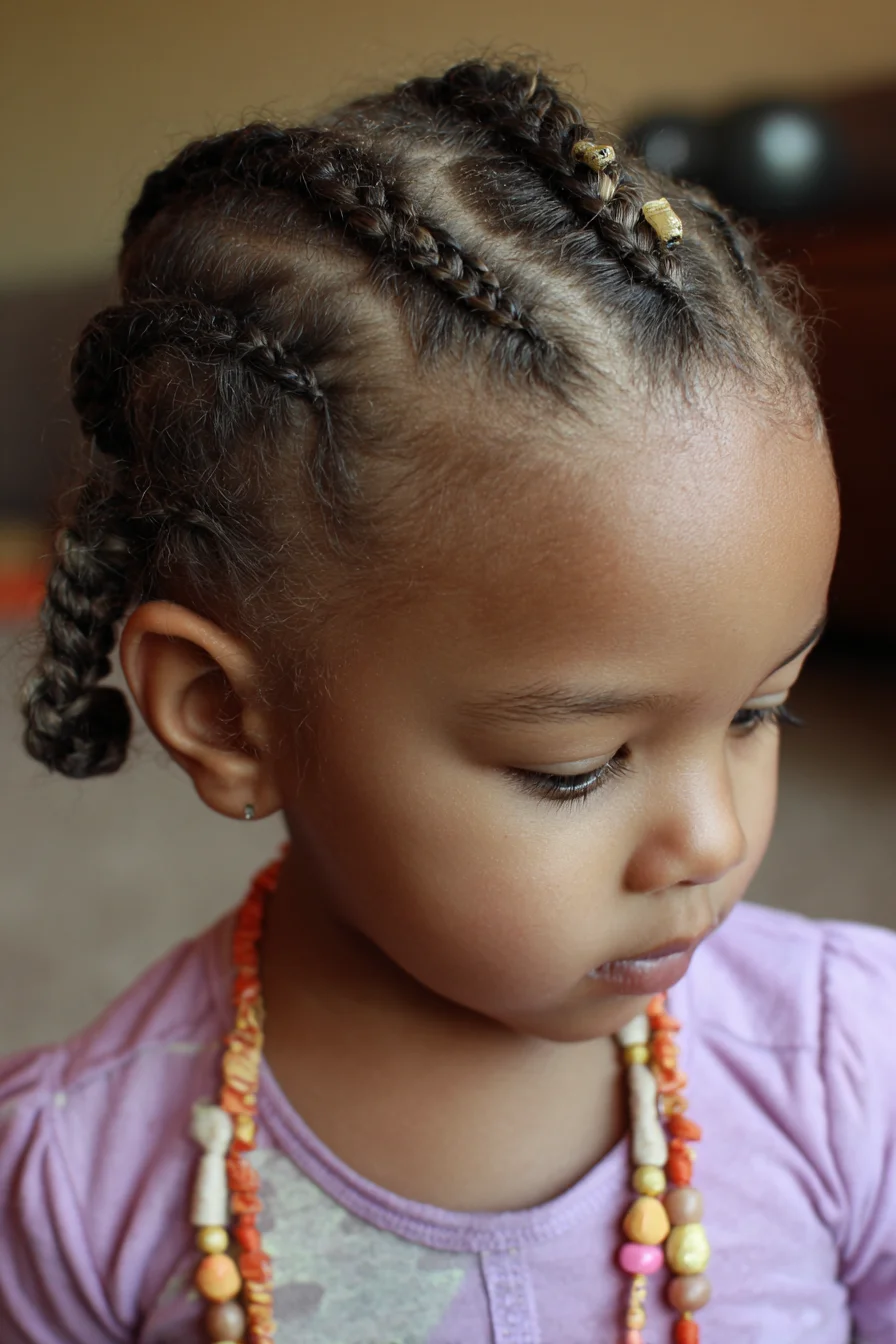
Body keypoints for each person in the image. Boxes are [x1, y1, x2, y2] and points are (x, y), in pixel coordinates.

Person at [1, 55, 890, 1344]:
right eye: (576, 767)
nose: (713, 839)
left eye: (762, 714)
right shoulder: (83, 1186)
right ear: (225, 717)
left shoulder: (849, 1066)